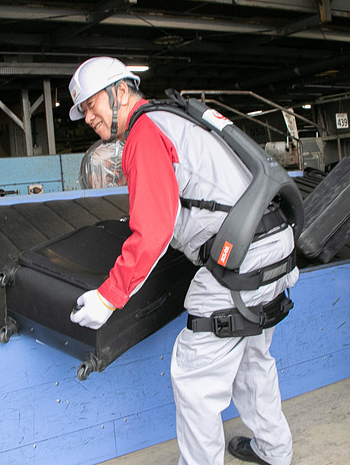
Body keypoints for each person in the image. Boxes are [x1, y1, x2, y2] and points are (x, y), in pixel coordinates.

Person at [67, 56, 298, 464]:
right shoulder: (175, 119)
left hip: (242, 258)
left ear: (121, 91)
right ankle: (274, 450)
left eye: (91, 104)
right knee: (251, 358)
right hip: (276, 243)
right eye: (82, 110)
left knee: (194, 376)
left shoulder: (144, 132)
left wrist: (108, 297)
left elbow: (154, 230)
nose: (87, 117)